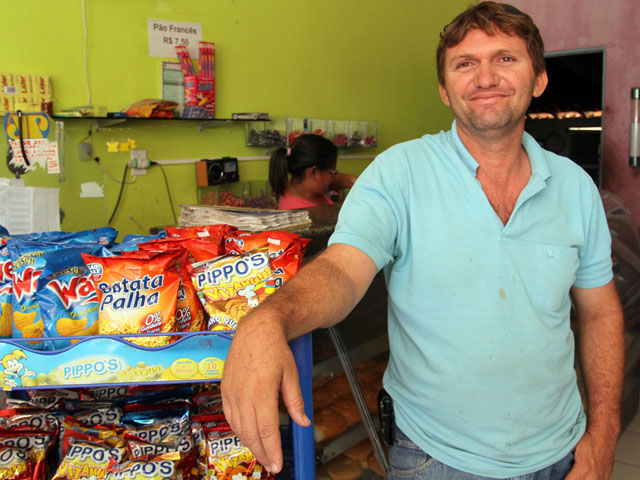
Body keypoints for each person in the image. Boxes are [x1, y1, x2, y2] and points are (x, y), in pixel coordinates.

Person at [221, 2, 624, 479]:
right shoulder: (398, 172)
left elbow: (601, 312)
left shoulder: (575, 188)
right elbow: (343, 270)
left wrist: (603, 434)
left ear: (538, 79)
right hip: (436, 458)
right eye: (465, 63)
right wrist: (269, 318)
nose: (485, 77)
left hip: (561, 451)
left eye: (506, 58)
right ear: (444, 89)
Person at [269, 133, 357, 209]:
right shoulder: (303, 214)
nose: (333, 177)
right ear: (314, 172)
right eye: (332, 172)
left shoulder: (298, 185)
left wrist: (353, 180)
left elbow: (334, 181)